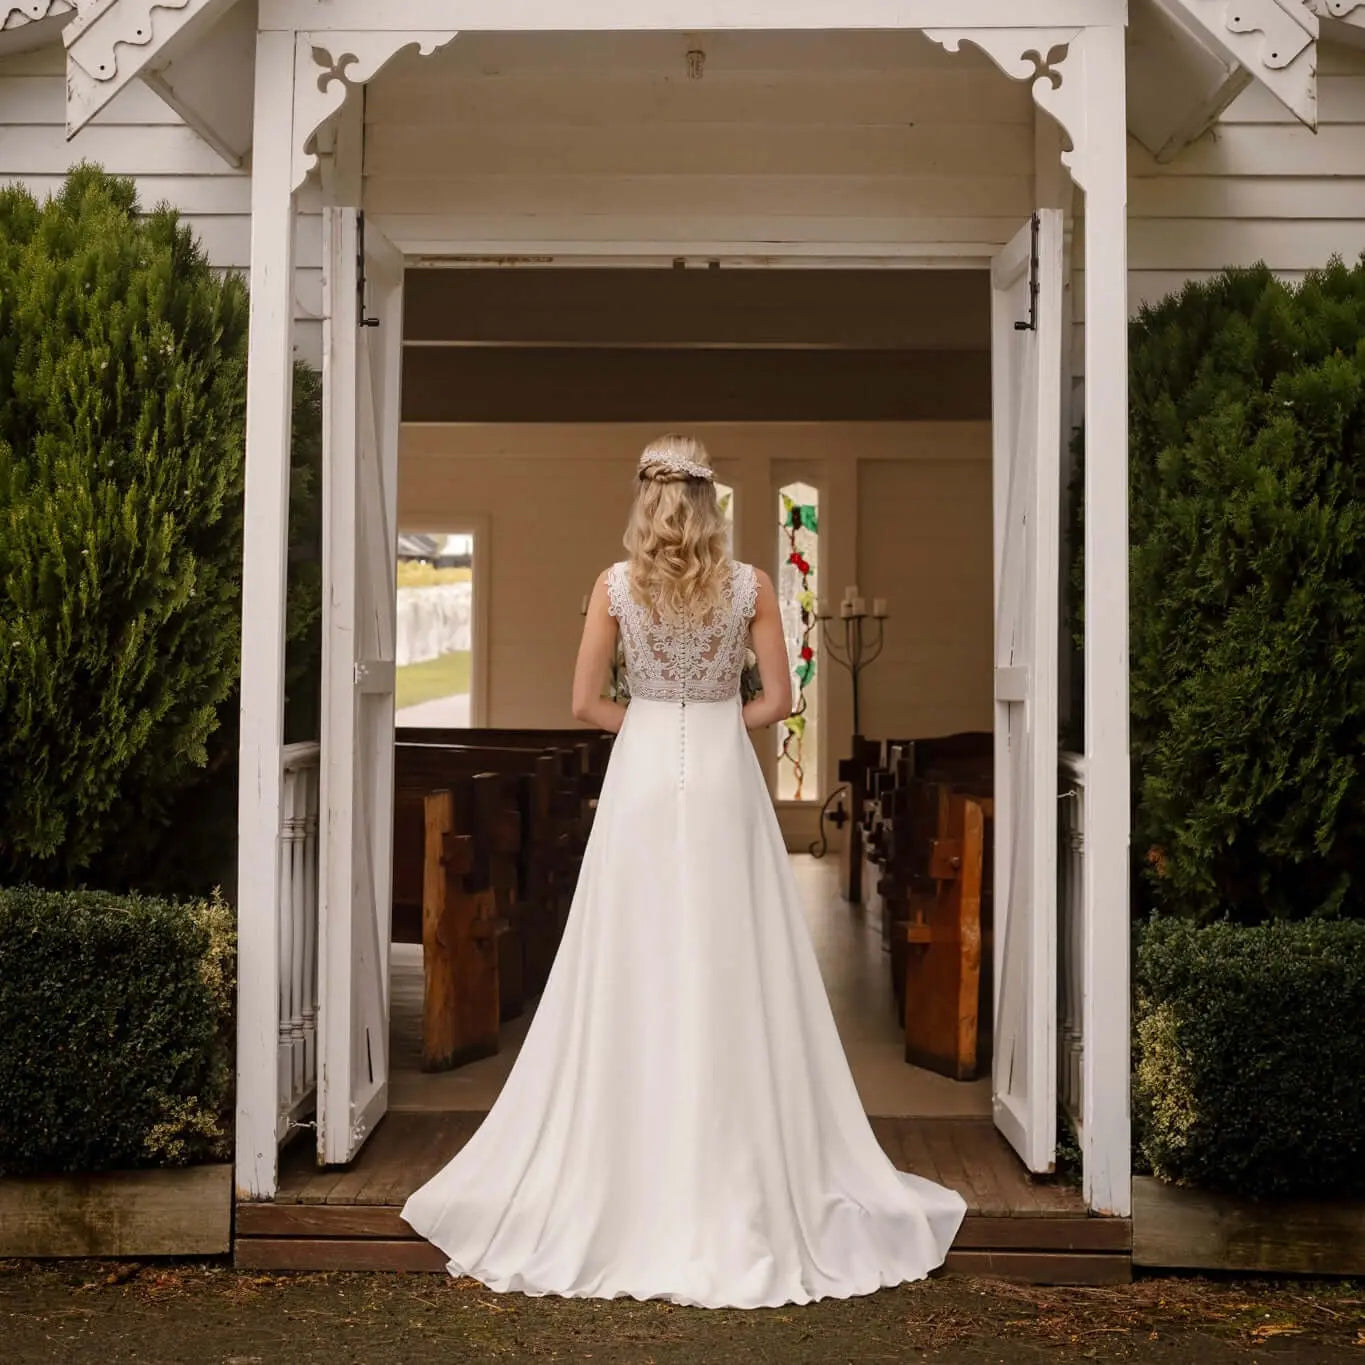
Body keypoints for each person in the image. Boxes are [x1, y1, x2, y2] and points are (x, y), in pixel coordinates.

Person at [400, 433, 966, 1308]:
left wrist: (654, 720)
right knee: (729, 960)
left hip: (639, 779)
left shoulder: (614, 585)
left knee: (630, 963)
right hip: (719, 774)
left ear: (646, 503)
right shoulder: (751, 587)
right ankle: (733, 1167)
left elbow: (584, 701)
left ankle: (624, 1164)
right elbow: (778, 700)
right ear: (709, 507)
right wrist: (709, 720)